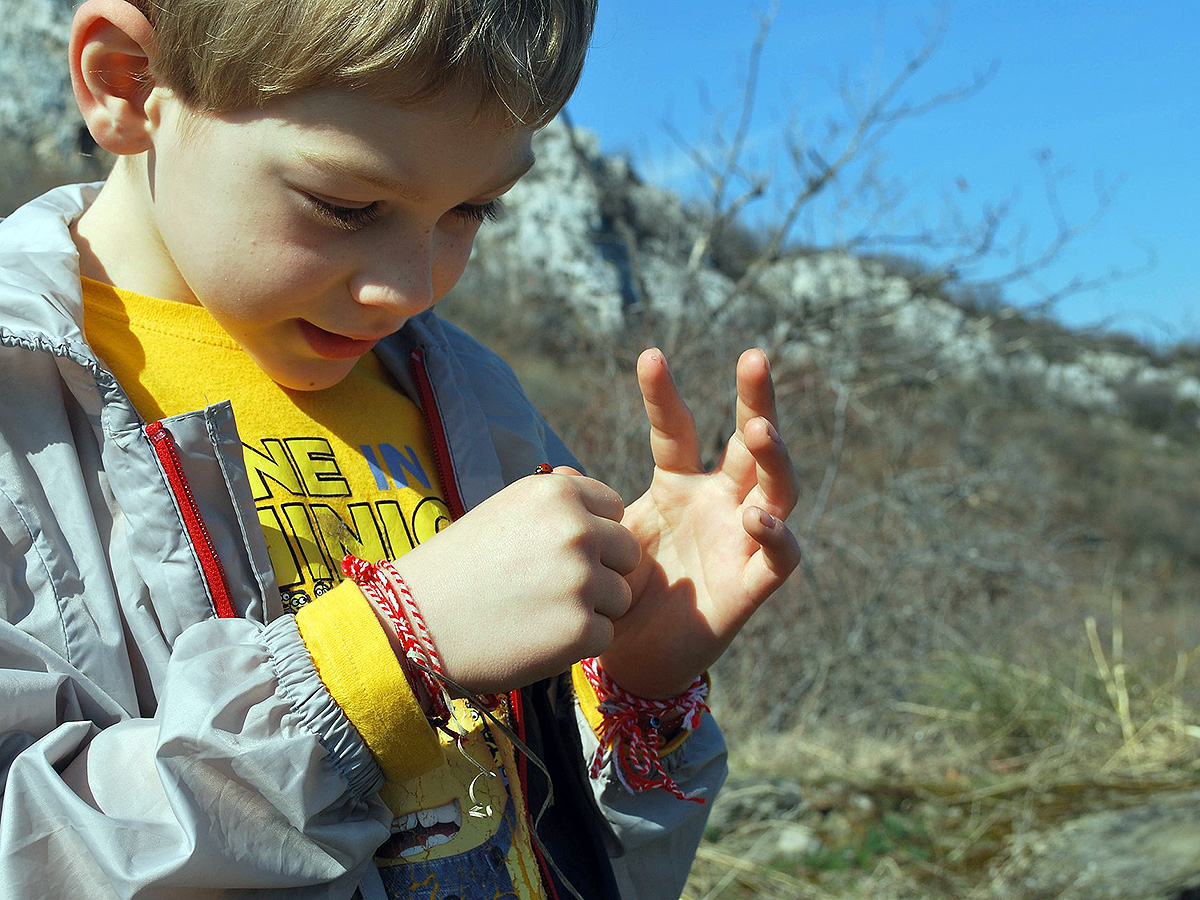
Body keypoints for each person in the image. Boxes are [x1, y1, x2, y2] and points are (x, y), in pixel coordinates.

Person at [0, 0, 801, 896]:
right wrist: (376, 658)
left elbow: (556, 855)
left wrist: (633, 689)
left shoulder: (479, 404)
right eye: (346, 206)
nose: (412, 288)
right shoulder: (19, 403)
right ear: (128, 82)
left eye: (473, 209)